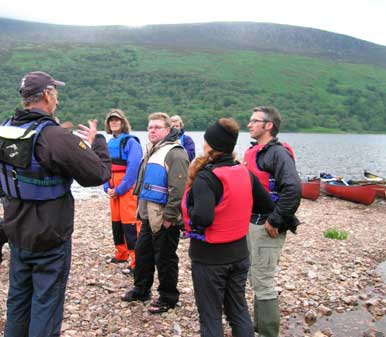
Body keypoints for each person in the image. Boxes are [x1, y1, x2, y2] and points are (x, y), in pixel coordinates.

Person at [0, 71, 111, 337]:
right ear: (46, 94)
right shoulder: (54, 136)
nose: (57, 97)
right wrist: (97, 143)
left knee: (18, 301)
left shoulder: (5, 130)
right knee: (46, 303)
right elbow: (97, 174)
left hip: (17, 230)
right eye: (55, 92)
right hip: (50, 236)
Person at [182, 118, 274, 337]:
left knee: (211, 315)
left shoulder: (207, 177)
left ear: (211, 145)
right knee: (238, 309)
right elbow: (266, 205)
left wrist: (188, 214)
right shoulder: (243, 172)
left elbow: (203, 218)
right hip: (240, 254)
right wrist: (236, 212)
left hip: (210, 259)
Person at [121, 112, 189, 314]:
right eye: (150, 127)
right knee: (143, 253)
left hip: (164, 217)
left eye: (157, 127)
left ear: (168, 130)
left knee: (166, 258)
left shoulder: (175, 153)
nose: (152, 130)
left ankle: (168, 297)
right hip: (149, 214)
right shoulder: (152, 150)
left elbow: (179, 188)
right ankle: (141, 290)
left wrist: (170, 217)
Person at [243, 106, 301, 337]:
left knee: (263, 281)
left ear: (269, 126)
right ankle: (259, 328)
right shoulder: (256, 151)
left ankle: (267, 333)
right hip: (252, 222)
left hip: (266, 225)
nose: (249, 124)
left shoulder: (277, 153)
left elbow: (293, 189)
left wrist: (276, 220)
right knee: (256, 278)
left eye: (254, 121)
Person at [103, 109, 143, 274]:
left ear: (123, 122)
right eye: (111, 120)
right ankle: (121, 253)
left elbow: (133, 169)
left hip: (127, 188)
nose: (114, 122)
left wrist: (120, 189)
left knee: (130, 224)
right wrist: (106, 186)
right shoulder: (108, 143)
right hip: (113, 187)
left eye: (117, 120)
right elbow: (104, 166)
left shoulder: (131, 142)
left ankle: (137, 261)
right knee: (117, 222)